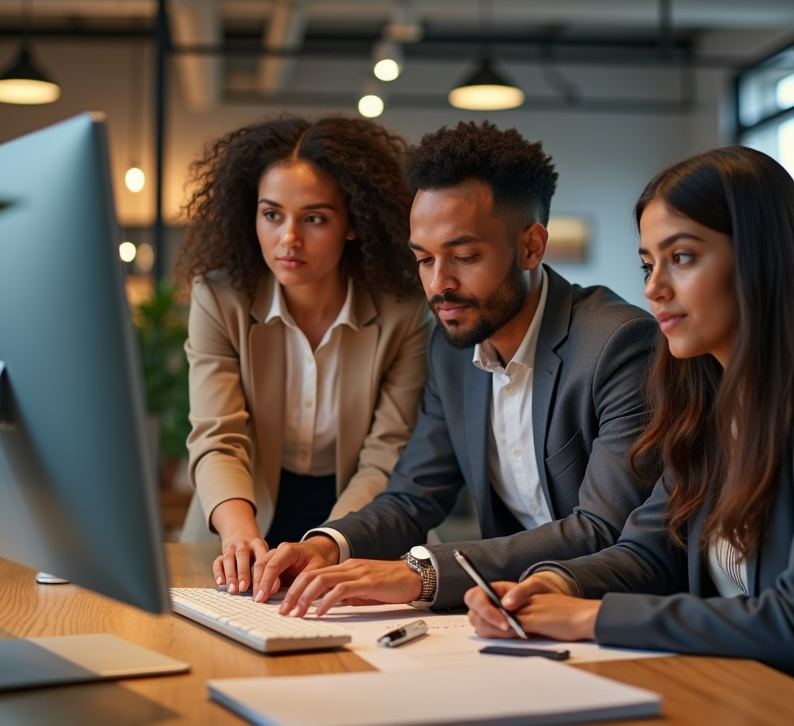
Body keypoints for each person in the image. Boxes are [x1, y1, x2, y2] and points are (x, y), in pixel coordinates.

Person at [464, 146, 794, 726]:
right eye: (649, 265)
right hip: (755, 695)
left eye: (683, 257)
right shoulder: (712, 397)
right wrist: (552, 584)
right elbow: (648, 550)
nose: (654, 289)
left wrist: (586, 618)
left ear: (760, 260)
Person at [245, 121, 658, 614]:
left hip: (607, 618)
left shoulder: (618, 345)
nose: (439, 285)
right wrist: (326, 546)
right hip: (507, 619)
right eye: (424, 259)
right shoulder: (454, 350)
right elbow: (413, 496)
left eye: (463, 256)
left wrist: (420, 572)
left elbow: (602, 529)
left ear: (531, 247)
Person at [174, 116, 430, 595]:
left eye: (314, 218)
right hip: (238, 516)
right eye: (271, 214)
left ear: (353, 223)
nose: (288, 238)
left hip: (355, 524)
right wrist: (237, 534)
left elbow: (385, 456)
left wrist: (329, 543)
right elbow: (218, 434)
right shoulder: (219, 297)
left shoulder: (404, 312)